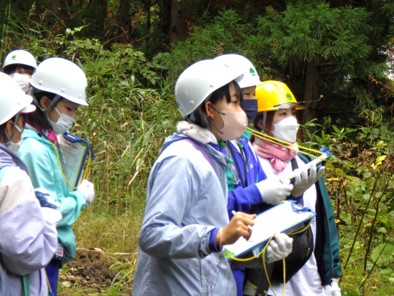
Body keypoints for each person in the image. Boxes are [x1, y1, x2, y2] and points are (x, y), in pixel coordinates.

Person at [132, 59, 258, 296]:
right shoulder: (182, 159)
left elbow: (205, 231)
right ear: (210, 109)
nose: (241, 111)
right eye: (233, 102)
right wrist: (217, 236)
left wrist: (255, 249)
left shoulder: (212, 155)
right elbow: (152, 235)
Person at [250, 80, 342, 296]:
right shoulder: (250, 163)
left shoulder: (305, 161)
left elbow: (325, 222)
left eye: (292, 112)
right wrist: (293, 196)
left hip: (312, 281)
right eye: (282, 114)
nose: (291, 120)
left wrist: (332, 275)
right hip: (272, 281)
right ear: (261, 122)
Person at [214, 54, 294, 296]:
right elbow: (209, 206)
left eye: (252, 96)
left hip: (241, 258)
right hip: (216, 257)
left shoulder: (244, 144)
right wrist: (255, 193)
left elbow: (261, 198)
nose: (250, 103)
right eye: (243, 97)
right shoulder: (209, 148)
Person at [17, 57, 95, 296]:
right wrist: (80, 197)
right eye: (69, 109)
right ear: (44, 102)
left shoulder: (46, 140)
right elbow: (51, 212)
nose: (72, 116)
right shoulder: (35, 149)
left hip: (50, 251)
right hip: (42, 252)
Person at [0, 72, 58, 295]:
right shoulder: (12, 178)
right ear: (8, 126)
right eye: (21, 120)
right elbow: (26, 253)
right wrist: (46, 219)